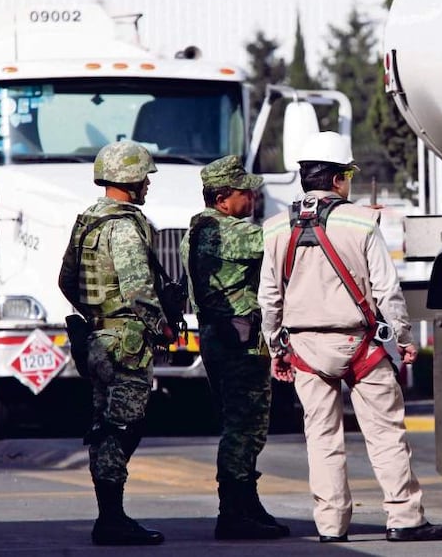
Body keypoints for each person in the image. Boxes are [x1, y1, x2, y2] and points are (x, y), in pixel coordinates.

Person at [259, 131, 442, 544]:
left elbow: (269, 297)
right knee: (385, 435)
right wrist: (401, 337)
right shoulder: (362, 222)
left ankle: (330, 526)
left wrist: (276, 346)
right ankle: (404, 519)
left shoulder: (273, 229)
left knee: (322, 440)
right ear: (340, 179)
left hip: (305, 349)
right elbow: (386, 290)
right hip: (360, 345)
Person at [58, 140, 176, 546]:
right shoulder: (124, 226)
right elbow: (139, 289)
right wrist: (162, 328)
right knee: (123, 425)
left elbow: (66, 281)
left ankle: (109, 514)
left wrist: (96, 312)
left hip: (94, 338)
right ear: (130, 179)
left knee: (105, 421)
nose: (148, 184)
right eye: (144, 177)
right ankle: (111, 518)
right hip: (124, 342)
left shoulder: (87, 220)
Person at [179, 155, 288, 541]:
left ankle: (246, 502)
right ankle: (233, 511)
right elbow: (279, 242)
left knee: (244, 424)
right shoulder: (227, 232)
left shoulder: (196, 230)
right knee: (244, 427)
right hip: (238, 340)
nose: (253, 198)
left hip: (221, 336)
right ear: (223, 198)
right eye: (246, 193)